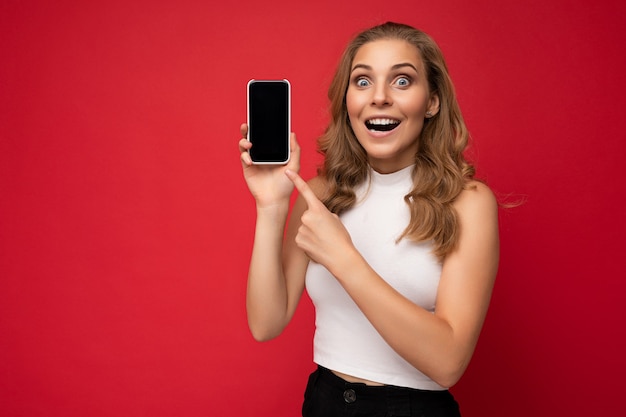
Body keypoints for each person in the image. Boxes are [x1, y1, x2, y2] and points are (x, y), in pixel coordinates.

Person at [238, 22, 499, 417]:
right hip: (325, 401)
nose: (379, 97)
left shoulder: (468, 202)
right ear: (347, 101)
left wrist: (345, 259)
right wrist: (271, 208)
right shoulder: (321, 194)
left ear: (432, 101)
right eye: (362, 82)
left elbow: (449, 363)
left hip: (412, 408)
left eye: (401, 81)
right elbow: (266, 323)